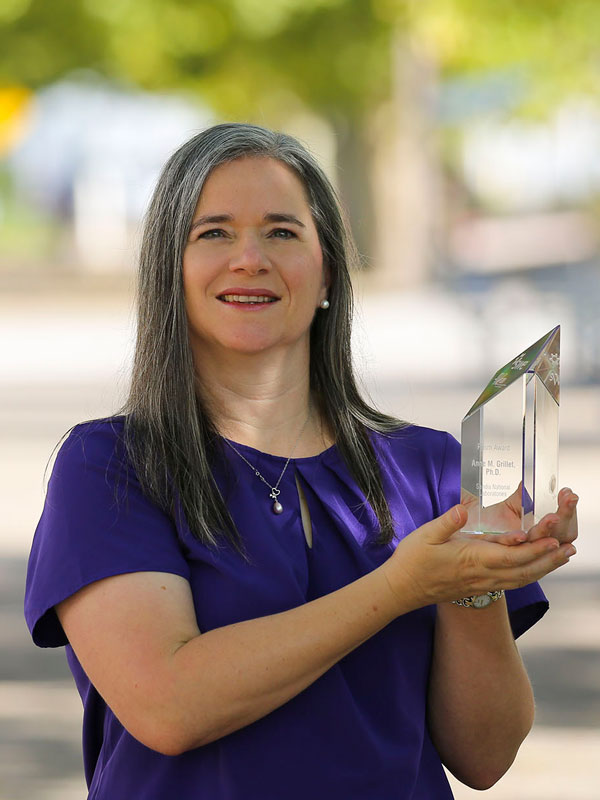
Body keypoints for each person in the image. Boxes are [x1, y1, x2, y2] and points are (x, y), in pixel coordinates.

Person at [25, 123, 579, 800]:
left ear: (326, 274)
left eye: (283, 232)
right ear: (171, 271)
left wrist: (475, 578)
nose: (250, 258)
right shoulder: (110, 467)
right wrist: (401, 587)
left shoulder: (432, 466)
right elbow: (169, 706)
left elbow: (485, 756)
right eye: (214, 233)